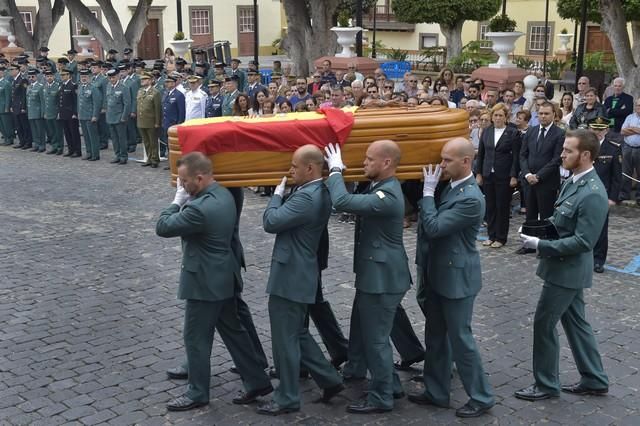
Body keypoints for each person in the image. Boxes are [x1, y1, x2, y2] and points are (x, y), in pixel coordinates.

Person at [156, 152, 273, 412]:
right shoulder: (225, 195)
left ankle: (197, 392)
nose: (182, 186)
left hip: (204, 282)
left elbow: (163, 227)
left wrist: (177, 201)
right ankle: (257, 380)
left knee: (196, 338)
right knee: (234, 332)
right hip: (225, 276)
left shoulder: (198, 209)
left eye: (184, 182)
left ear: (199, 177)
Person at [515, 129, 609, 402]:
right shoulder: (574, 181)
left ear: (586, 155)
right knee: (576, 322)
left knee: (544, 324)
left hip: (567, 271)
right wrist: (538, 231)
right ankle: (594, 378)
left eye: (568, 151)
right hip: (563, 268)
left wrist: (540, 245)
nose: (562, 154)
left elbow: (583, 242)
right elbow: (561, 221)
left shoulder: (592, 192)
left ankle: (545, 384)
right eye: (563, 149)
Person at [323, 140, 411, 414]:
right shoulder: (378, 186)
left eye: (369, 159)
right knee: (362, 327)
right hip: (373, 274)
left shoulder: (388, 196)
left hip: (382, 279)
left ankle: (382, 396)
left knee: (376, 339)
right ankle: (388, 383)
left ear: (386, 163)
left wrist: (336, 171)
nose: (363, 162)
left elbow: (342, 202)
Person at [257, 146, 345, 415]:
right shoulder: (316, 191)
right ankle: (330, 379)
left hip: (291, 275)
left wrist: (276, 194)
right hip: (299, 271)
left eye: (294, 166)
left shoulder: (307, 197)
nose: (290, 170)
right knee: (297, 333)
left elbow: (271, 221)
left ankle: (287, 398)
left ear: (310, 168)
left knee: (285, 338)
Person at [410, 138, 495, 418]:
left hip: (457, 278)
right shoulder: (452, 187)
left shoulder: (471, 197)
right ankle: (436, 391)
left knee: (461, 339)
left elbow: (433, 227)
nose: (441, 165)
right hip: (438, 271)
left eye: (447, 160)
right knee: (435, 335)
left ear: (466, 162)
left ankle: (481, 397)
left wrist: (427, 194)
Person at [517, 101, 565, 254]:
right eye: (541, 113)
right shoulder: (531, 131)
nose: (543, 116)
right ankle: (529, 244)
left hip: (547, 181)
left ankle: (546, 245)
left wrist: (538, 176)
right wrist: (527, 174)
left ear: (553, 115)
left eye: (546, 113)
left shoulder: (559, 133)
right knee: (530, 214)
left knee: (546, 215)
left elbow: (557, 159)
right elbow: (523, 154)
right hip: (529, 180)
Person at [476, 104, 522, 248]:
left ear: (506, 117)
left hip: (504, 174)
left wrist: (514, 175)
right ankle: (491, 235)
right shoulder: (487, 131)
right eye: (495, 115)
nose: (497, 118)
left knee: (502, 206)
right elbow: (481, 154)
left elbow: (516, 156)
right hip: (488, 173)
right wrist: (479, 173)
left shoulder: (512, 132)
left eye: (500, 115)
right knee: (490, 206)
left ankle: (501, 237)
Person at [587, 116, 622, 272]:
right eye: (594, 128)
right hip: (584, 192)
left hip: (602, 195)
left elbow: (617, 177)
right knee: (582, 226)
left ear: (606, 130)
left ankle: (598, 260)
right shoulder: (583, 146)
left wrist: (612, 198)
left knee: (601, 229)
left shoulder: (613, 148)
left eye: (600, 129)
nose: (597, 132)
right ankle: (583, 256)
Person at [105, 68, 131, 165]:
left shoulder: (123, 87)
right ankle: (117, 155)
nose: (112, 79)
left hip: (119, 117)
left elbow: (127, 104)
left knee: (121, 138)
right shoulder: (108, 86)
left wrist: (124, 117)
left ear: (118, 76)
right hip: (111, 116)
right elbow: (107, 101)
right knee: (114, 139)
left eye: (113, 77)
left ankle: (123, 156)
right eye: (110, 78)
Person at [136, 72, 162, 168]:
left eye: (145, 79)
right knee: (146, 142)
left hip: (151, 121)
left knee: (153, 141)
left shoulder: (155, 92)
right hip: (142, 120)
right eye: (142, 79)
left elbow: (157, 109)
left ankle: (155, 159)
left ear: (150, 81)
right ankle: (149, 158)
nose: (142, 81)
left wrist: (157, 122)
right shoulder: (140, 91)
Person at [77, 69, 102, 161]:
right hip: (83, 115)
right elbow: (78, 102)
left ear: (89, 77)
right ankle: (89, 152)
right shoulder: (80, 87)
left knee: (93, 136)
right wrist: (78, 113)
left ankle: (95, 154)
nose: (83, 78)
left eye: (85, 77)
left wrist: (95, 115)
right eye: (82, 77)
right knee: (86, 136)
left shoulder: (93, 88)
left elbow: (97, 103)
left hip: (90, 115)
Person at [58, 68, 82, 158]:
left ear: (69, 75)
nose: (62, 76)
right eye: (61, 75)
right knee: (67, 133)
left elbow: (76, 101)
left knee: (74, 133)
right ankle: (70, 149)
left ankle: (77, 150)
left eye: (64, 75)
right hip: (64, 113)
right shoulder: (62, 85)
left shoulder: (73, 85)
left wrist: (75, 113)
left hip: (71, 113)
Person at [619, 100, 640, 203]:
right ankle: (624, 194)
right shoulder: (630, 117)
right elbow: (622, 131)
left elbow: (627, 130)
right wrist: (637, 130)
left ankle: (639, 196)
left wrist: (631, 128)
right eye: (637, 105)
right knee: (626, 172)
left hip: (639, 149)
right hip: (627, 147)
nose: (638, 107)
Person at [10, 64, 31, 149]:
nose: (11, 71)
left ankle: (28, 142)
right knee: (18, 126)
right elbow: (13, 95)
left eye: (13, 69)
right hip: (15, 107)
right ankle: (21, 141)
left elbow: (24, 95)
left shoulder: (23, 80)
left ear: (18, 70)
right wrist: (12, 105)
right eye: (11, 70)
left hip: (21, 107)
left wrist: (23, 107)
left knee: (24, 125)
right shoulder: (14, 80)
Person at [26, 69, 46, 153]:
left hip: (38, 112)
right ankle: (36, 144)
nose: (31, 78)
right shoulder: (28, 87)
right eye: (29, 77)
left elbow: (42, 101)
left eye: (32, 76)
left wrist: (42, 113)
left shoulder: (40, 86)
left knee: (40, 130)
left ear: (36, 77)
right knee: (33, 130)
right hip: (31, 111)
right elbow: (27, 100)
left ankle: (42, 145)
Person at [0, 66, 14, 146]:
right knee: (1, 125)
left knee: (7, 124)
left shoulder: (6, 83)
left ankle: (10, 138)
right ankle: (5, 137)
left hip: (4, 107)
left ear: (2, 73)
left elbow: (8, 96)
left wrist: (7, 107)